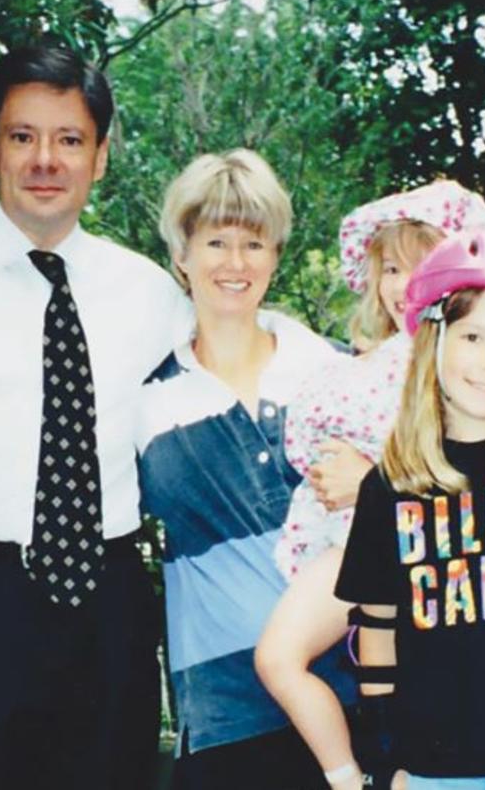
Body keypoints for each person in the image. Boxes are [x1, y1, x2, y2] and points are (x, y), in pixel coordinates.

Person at [0, 44, 189, 790]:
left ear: (100, 157)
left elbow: (241, 366)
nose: (45, 159)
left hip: (109, 607)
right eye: (22, 136)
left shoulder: (151, 295)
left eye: (69, 139)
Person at [255, 181, 485, 790]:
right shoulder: (371, 363)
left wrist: (371, 484)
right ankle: (349, 780)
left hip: (442, 569)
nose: (402, 285)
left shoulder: (479, 367)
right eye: (391, 267)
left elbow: (483, 493)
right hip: (355, 547)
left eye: (422, 266)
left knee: (420, 693)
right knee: (279, 657)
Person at [136, 148, 357, 790]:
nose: (235, 263)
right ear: (182, 255)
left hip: (352, 697)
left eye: (254, 243)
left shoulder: (338, 371)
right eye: (216, 242)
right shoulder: (142, 398)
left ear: (276, 255)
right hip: (223, 717)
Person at [335, 227, 485, 788]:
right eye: (473, 337)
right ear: (433, 339)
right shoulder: (390, 486)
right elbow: (376, 624)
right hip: (437, 766)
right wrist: (384, 756)